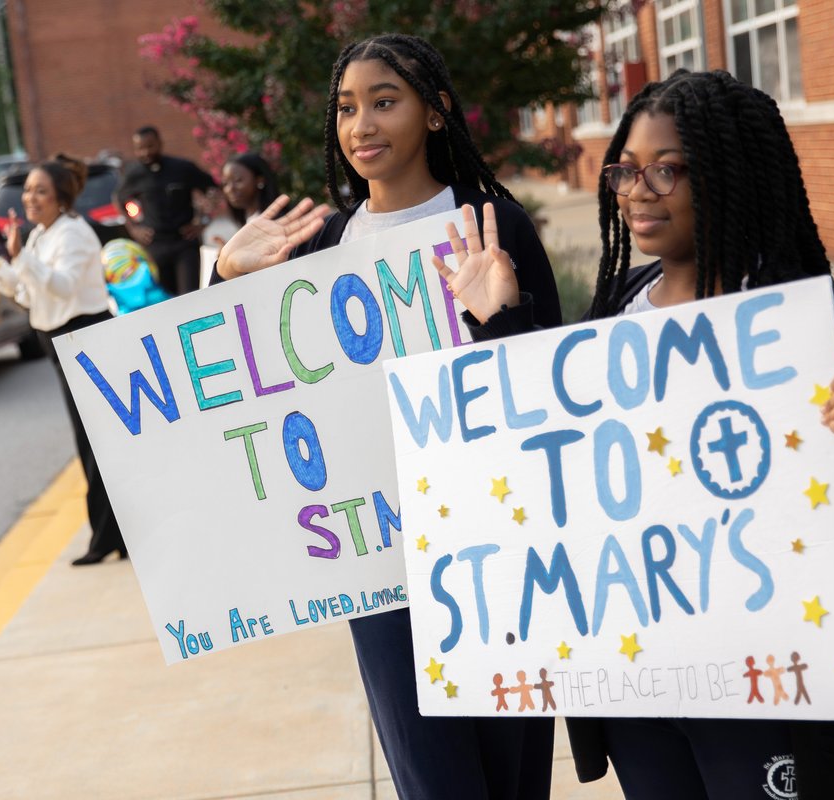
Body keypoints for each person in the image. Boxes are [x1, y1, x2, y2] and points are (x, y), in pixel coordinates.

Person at [438, 70, 834, 800]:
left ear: (730, 174)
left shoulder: (795, 318)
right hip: (646, 685)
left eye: (667, 169)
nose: (638, 190)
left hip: (770, 690)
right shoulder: (621, 311)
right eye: (627, 169)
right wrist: (497, 322)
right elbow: (556, 455)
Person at [214, 33, 561, 800]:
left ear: (436, 113)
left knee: (512, 774)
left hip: (499, 544)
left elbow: (549, 382)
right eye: (345, 108)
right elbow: (240, 384)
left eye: (384, 101)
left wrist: (498, 316)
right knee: (430, 775)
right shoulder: (325, 243)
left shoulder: (492, 223)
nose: (360, 125)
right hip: (381, 557)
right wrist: (225, 279)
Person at [0, 154, 129, 567]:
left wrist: (23, 258)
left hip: (88, 337)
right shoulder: (41, 235)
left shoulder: (72, 233)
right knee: (90, 442)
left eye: (41, 191)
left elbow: (63, 286)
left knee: (99, 442)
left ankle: (108, 538)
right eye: (29, 190)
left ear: (61, 198)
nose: (30, 197)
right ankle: (113, 535)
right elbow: (27, 293)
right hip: (61, 339)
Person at [115, 126, 217, 296]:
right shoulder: (134, 174)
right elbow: (118, 199)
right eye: (140, 148)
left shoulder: (182, 168)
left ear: (160, 144)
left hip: (185, 242)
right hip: (155, 245)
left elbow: (213, 190)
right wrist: (133, 228)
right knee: (164, 300)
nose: (145, 152)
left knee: (190, 297)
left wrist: (203, 221)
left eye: (150, 146)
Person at [221, 152, 281, 228]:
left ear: (259, 180)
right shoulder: (246, 221)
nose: (230, 189)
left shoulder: (277, 223)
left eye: (238, 180)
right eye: (225, 183)